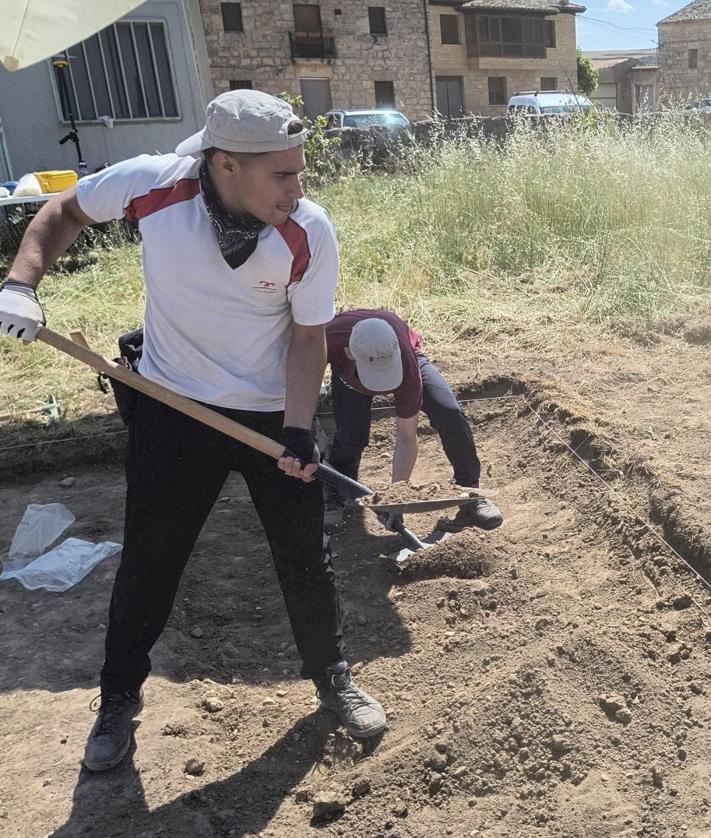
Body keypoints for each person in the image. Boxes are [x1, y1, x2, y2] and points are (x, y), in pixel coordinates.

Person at [0, 90, 386, 772]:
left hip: (271, 412)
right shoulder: (151, 186)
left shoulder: (307, 230)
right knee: (152, 560)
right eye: (283, 175)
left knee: (305, 555)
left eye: (300, 172)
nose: (299, 189)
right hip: (172, 407)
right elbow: (63, 210)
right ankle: (118, 697)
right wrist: (22, 282)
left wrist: (298, 429)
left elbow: (306, 338)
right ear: (225, 164)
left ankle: (331, 677)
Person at [323, 309, 503, 533]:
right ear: (349, 353)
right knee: (351, 435)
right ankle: (336, 496)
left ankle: (471, 495)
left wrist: (395, 500)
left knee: (448, 412)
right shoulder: (327, 339)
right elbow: (303, 381)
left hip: (404, 358)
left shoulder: (406, 361)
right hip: (348, 373)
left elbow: (406, 438)